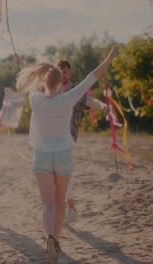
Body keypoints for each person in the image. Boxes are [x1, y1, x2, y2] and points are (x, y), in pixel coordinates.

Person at [16, 46, 118, 261]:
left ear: (43, 81)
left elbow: (29, 81)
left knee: (48, 204)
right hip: (63, 154)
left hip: (42, 155)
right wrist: (108, 59)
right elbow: (92, 77)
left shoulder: (35, 99)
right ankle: (58, 240)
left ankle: (50, 237)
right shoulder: (68, 98)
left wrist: (23, 64)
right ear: (60, 81)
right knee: (60, 200)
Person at [57, 59, 107, 223]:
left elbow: (91, 101)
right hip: (51, 137)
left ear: (70, 72)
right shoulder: (52, 90)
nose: (62, 74)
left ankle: (70, 208)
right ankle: (62, 207)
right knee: (54, 174)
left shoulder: (74, 90)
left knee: (64, 173)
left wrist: (103, 106)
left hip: (68, 138)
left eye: (65, 71)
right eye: (60, 71)